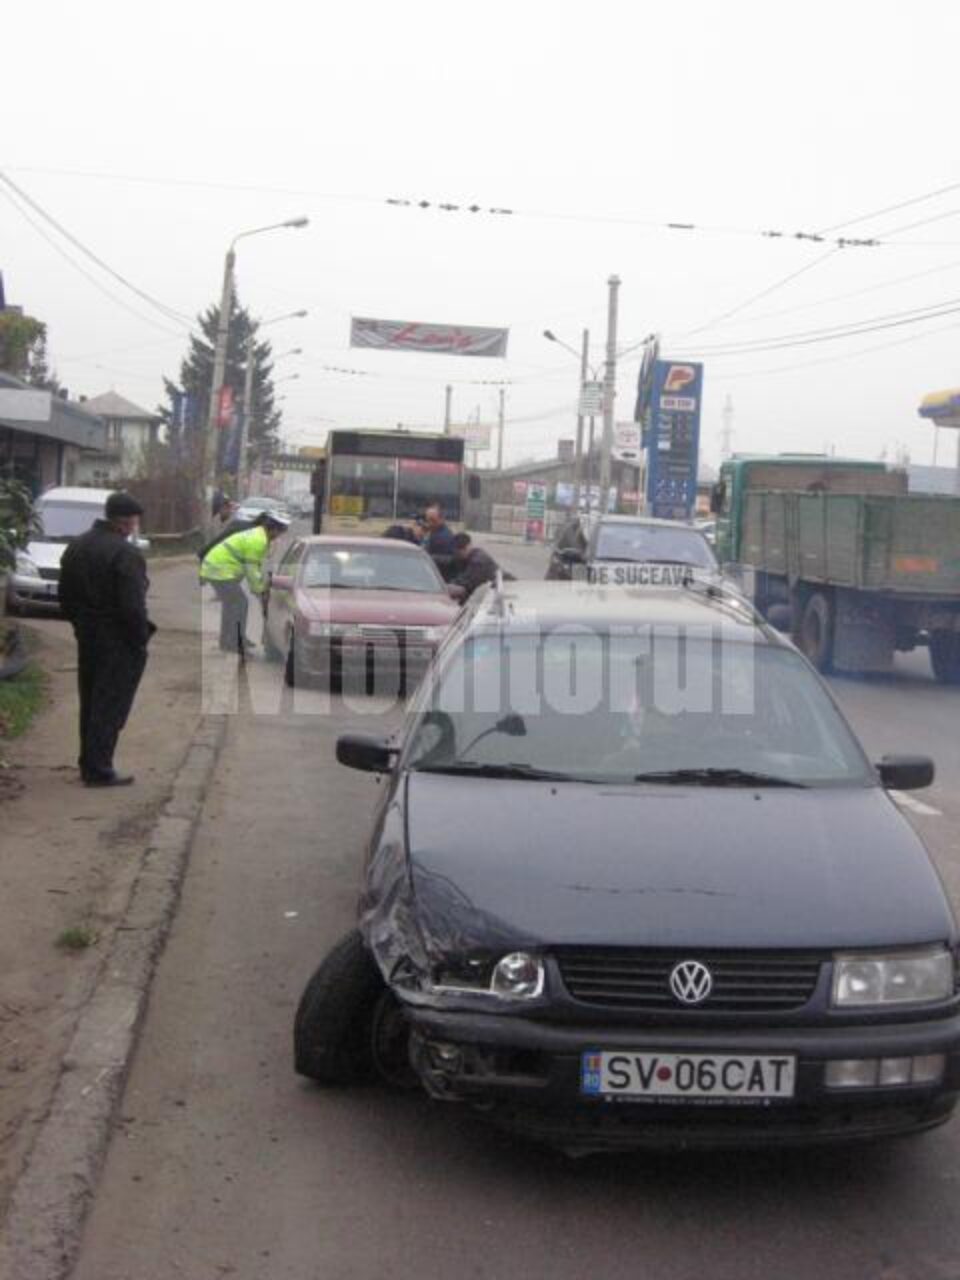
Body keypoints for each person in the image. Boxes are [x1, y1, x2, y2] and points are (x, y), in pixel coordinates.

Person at [58, 491, 155, 787]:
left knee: (90, 699)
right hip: (118, 641)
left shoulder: (77, 545)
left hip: (88, 635)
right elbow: (132, 606)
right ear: (128, 523)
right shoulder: (126, 554)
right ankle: (99, 769)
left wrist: (81, 625)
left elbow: (65, 596)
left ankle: (88, 762)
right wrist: (140, 638)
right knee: (110, 704)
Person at [199, 510, 291, 655]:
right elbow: (251, 570)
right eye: (279, 532)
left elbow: (255, 568)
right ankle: (235, 643)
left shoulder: (258, 534)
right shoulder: (258, 540)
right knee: (240, 603)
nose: (279, 536)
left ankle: (229, 641)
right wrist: (260, 590)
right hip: (218, 569)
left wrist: (259, 585)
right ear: (273, 529)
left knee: (232, 604)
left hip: (216, 566)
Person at [450, 532, 503, 599]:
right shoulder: (468, 556)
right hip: (495, 588)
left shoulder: (478, 561)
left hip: (507, 586)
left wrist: (449, 585)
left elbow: (468, 582)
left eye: (463, 548)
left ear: (469, 545)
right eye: (458, 549)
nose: (461, 552)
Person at [421, 503, 457, 579]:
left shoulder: (445, 537)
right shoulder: (430, 531)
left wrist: (428, 557)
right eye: (427, 520)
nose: (429, 523)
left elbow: (452, 559)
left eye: (433, 521)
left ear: (441, 519)